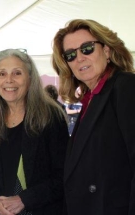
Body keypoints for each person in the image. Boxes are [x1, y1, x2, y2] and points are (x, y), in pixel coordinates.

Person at [52, 19, 135, 215]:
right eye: (70, 55)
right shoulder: (91, 99)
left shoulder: (126, 87)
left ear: (106, 50)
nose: (79, 58)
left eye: (87, 48)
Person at [0, 49, 69, 215]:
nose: (9, 80)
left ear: (30, 78)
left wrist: (24, 200)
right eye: (2, 74)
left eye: (17, 73)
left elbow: (63, 174)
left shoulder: (51, 117)